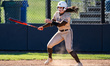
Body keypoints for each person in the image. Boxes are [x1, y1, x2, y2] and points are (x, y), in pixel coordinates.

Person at [38, 1, 83, 66]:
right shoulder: (56, 13)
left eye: (61, 8)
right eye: (59, 7)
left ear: (65, 8)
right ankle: (50, 58)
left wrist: (51, 22)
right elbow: (52, 23)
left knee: (69, 49)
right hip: (60, 32)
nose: (60, 9)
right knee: (49, 45)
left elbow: (60, 25)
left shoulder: (67, 15)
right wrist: (43, 26)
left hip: (67, 32)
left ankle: (79, 63)